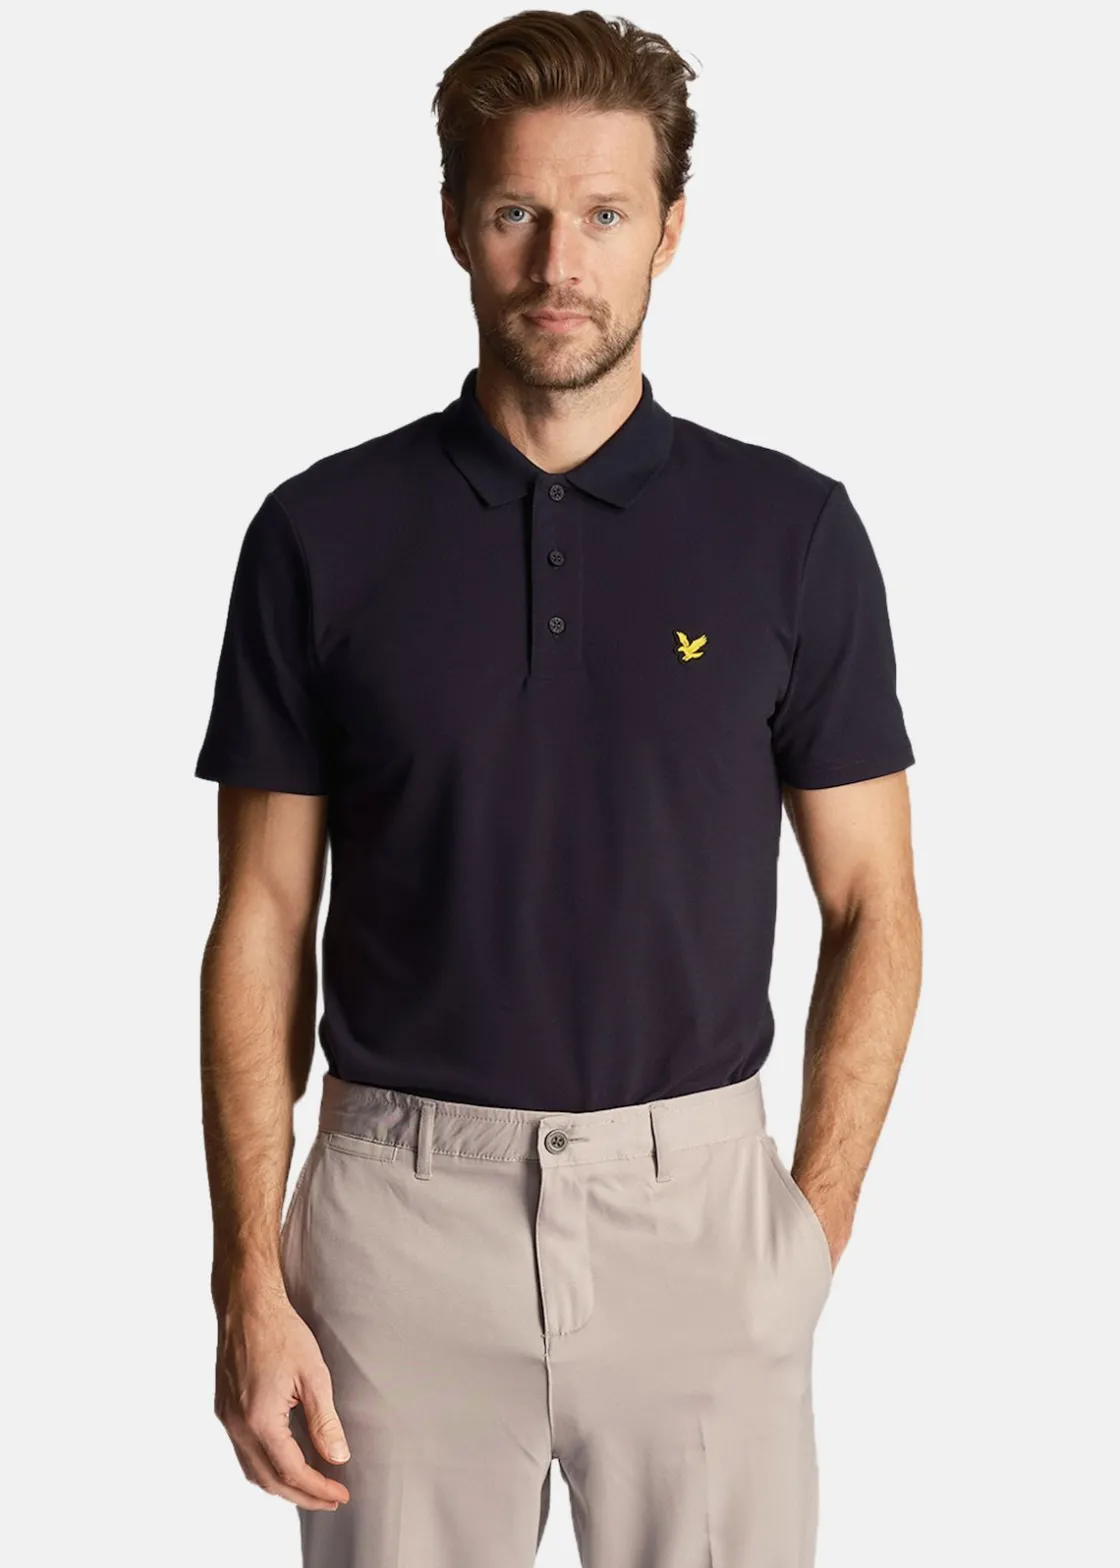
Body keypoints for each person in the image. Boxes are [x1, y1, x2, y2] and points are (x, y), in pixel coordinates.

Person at [194, 10, 922, 1565]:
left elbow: (875, 901)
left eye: (603, 214)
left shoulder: (792, 534)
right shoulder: (320, 534)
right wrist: (247, 1273)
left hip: (701, 1223)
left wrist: (811, 1226)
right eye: (518, 210)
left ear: (671, 229)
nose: (557, 264)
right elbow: (259, 914)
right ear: (456, 220)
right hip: (398, 1227)